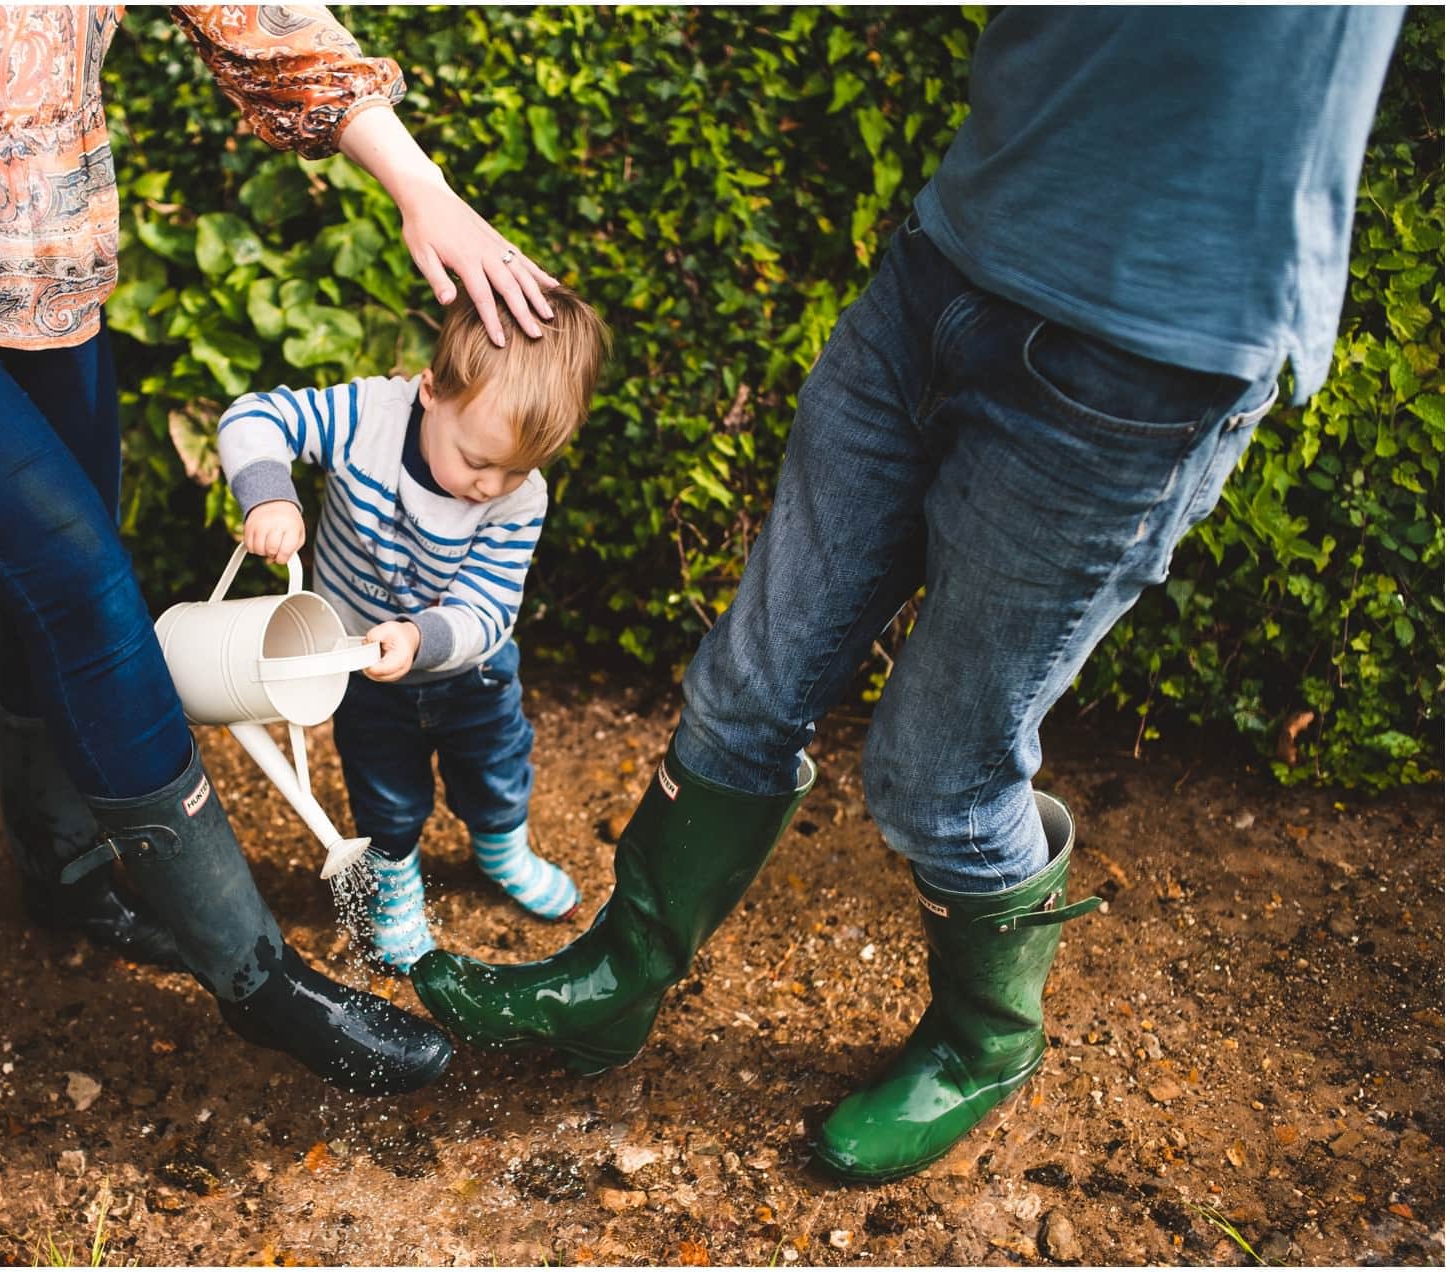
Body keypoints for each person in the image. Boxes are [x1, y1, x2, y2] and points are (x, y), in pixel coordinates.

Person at [410, 6, 1407, 1176]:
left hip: (1143, 355)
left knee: (942, 778)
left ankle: (987, 1041)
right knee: (745, 687)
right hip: (940, 274)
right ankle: (615, 982)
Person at [0, 3, 562, 1097]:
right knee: (84, 590)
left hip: (36, 259)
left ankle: (70, 871)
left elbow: (261, 19)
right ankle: (260, 981)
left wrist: (419, 184)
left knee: (64, 566)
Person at [217, 288, 609, 971]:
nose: (492, 485)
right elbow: (256, 416)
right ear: (430, 390)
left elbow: (488, 607)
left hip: (469, 672)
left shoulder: (521, 498)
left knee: (495, 771)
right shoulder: (366, 417)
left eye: (517, 468)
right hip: (363, 669)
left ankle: (502, 848)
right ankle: (397, 889)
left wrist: (420, 638)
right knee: (385, 791)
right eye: (479, 461)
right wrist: (270, 494)